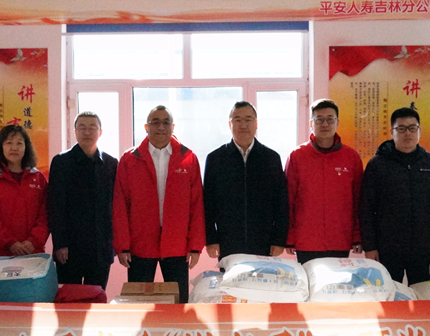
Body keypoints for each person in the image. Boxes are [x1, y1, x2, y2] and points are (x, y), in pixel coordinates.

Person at [112, 105, 204, 303]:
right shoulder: (129, 159)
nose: (160, 127)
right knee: (137, 304)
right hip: (140, 245)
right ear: (146, 127)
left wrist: (195, 246)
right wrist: (122, 245)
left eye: (165, 122)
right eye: (155, 122)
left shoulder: (188, 158)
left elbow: (196, 205)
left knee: (179, 304)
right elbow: (120, 205)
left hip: (177, 244)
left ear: (173, 127)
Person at [359, 106, 430, 284]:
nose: (407, 133)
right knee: (388, 292)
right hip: (387, 246)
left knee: (423, 293)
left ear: (419, 131)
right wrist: (369, 246)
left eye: (412, 128)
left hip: (423, 246)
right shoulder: (377, 165)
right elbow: (366, 208)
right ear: (392, 132)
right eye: (401, 128)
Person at [203, 101, 288, 261]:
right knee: (229, 277)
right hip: (228, 241)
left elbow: (281, 202)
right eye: (238, 120)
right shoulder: (216, 159)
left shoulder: (271, 158)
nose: (243, 125)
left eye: (248, 119)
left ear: (256, 124)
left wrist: (279, 239)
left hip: (263, 240)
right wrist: (211, 239)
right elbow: (207, 203)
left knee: (262, 276)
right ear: (230, 124)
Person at [285, 98, 363, 265]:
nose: (325, 124)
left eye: (330, 119)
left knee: (338, 281)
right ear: (311, 123)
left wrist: (357, 236)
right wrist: (289, 237)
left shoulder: (351, 157)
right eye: (319, 120)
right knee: (309, 281)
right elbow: (289, 199)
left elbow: (358, 200)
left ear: (337, 122)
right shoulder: (297, 156)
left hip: (340, 238)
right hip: (306, 240)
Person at [48, 111, 119, 288]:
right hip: (70, 248)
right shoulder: (61, 162)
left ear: (100, 132)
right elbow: (56, 206)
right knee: (69, 298)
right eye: (82, 128)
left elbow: (116, 206)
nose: (87, 132)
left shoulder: (111, 164)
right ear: (75, 132)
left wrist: (115, 244)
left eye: (92, 128)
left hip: (101, 248)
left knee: (96, 297)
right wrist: (60, 244)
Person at [0, 124, 49, 258]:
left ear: (26, 147)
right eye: (9, 143)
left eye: (19, 143)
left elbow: (45, 215)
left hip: (32, 252)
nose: (14, 148)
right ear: (1, 146)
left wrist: (33, 241)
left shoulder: (38, 178)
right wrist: (10, 243)